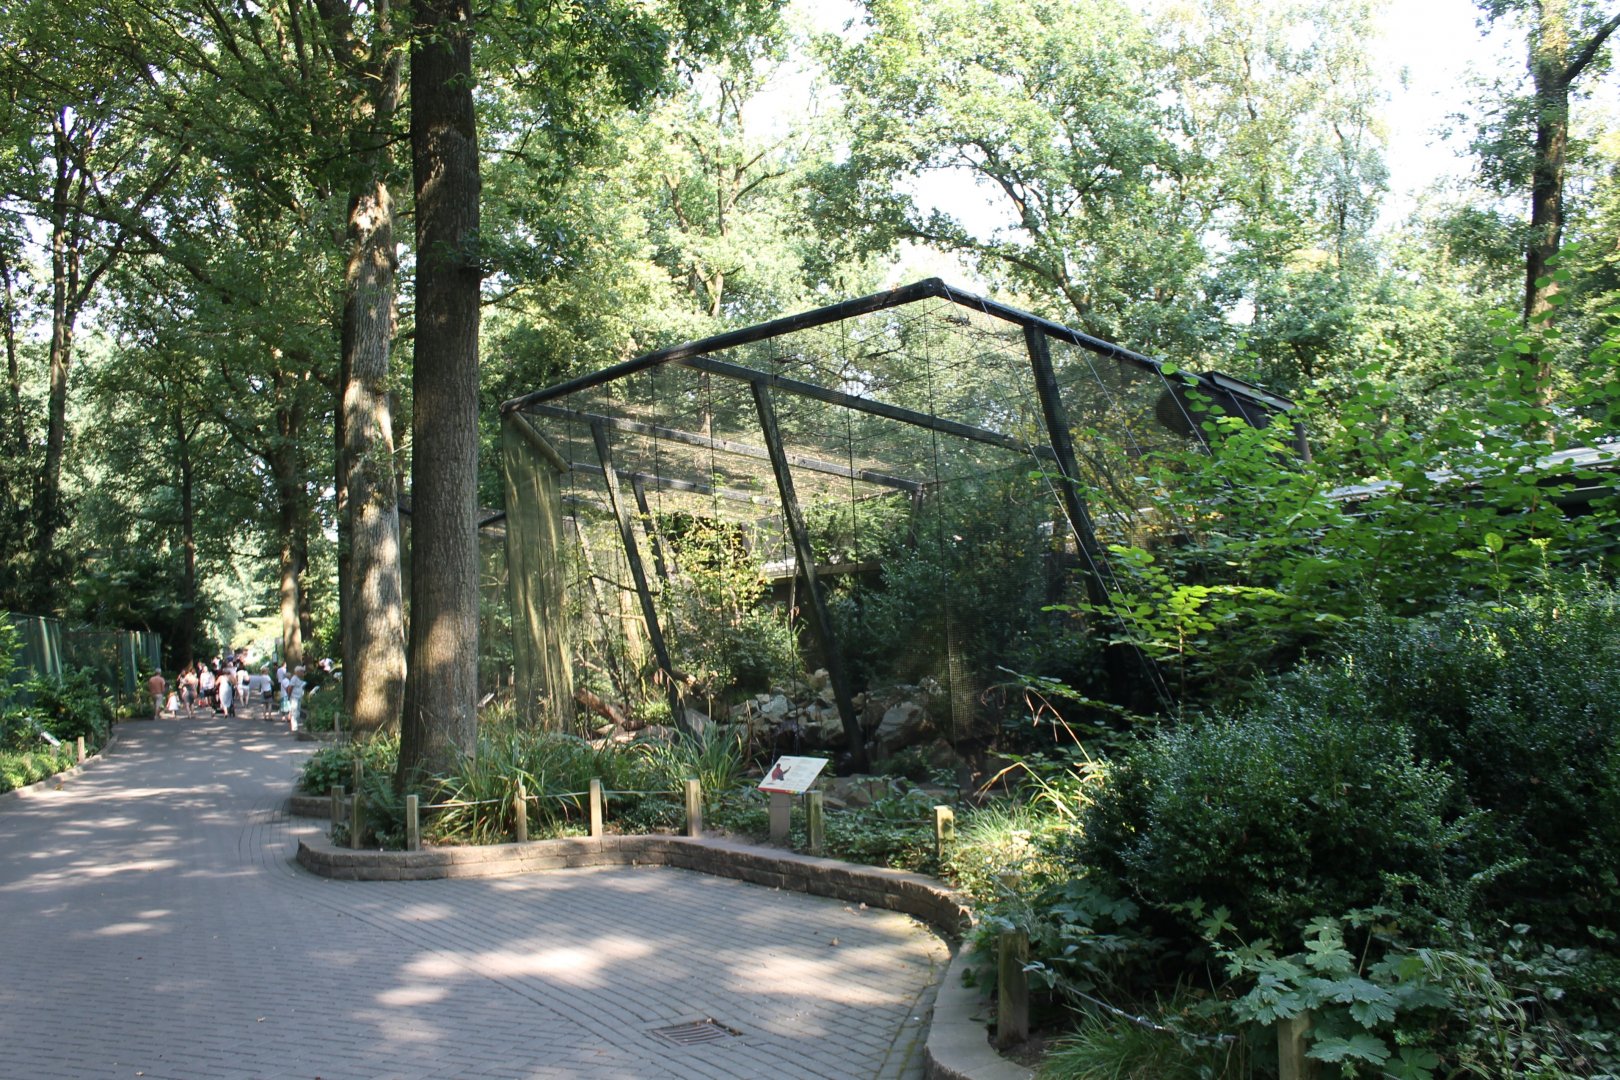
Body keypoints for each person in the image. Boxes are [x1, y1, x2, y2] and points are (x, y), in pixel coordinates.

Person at [286, 665, 307, 732]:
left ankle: (295, 726)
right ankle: (294, 727)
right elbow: (290, 687)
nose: (303, 673)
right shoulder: (294, 678)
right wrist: (289, 696)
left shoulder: (297, 678)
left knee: (297, 712)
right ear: (298, 672)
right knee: (295, 712)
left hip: (298, 697)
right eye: (302, 672)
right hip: (294, 697)